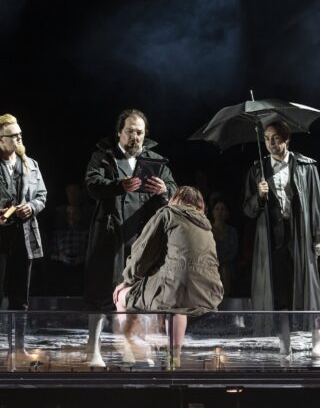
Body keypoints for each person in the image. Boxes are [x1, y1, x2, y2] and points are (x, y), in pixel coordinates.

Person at [84, 109, 177, 367]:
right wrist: (118, 186)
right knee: (102, 291)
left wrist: (164, 190)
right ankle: (94, 349)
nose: (135, 137)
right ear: (119, 133)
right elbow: (91, 184)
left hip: (143, 237)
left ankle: (134, 348)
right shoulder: (103, 156)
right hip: (110, 235)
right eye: (129, 131)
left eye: (139, 132)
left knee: (140, 294)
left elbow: (175, 192)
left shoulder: (155, 161)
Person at [242, 121, 320, 358]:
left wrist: (319, 235)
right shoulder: (258, 169)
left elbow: (317, 202)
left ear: (287, 139)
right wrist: (259, 197)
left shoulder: (305, 166)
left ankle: (317, 343)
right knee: (279, 291)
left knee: (309, 289)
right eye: (267, 138)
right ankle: (285, 343)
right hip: (272, 238)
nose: (271, 143)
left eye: (276, 138)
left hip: (300, 233)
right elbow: (247, 209)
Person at [113, 186, 224, 366]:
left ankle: (129, 350)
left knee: (121, 297)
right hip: (209, 293)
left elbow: (143, 253)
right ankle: (174, 358)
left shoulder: (167, 214)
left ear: (176, 200)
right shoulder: (206, 225)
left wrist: (127, 281)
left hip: (174, 288)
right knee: (177, 304)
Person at [0, 114, 47, 357]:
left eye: (20, 134)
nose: (19, 138)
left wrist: (32, 207)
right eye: (13, 136)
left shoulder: (30, 164)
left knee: (20, 293)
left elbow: (42, 196)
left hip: (23, 234)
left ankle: (19, 346)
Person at [210, 198, 239, 295]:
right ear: (213, 212)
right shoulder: (207, 230)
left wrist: (223, 261)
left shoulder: (232, 232)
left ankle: (226, 298)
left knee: (225, 269)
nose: (220, 212)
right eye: (217, 209)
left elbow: (234, 251)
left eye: (222, 209)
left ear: (227, 213)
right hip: (211, 264)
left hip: (228, 266)